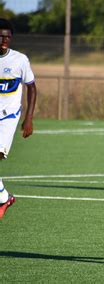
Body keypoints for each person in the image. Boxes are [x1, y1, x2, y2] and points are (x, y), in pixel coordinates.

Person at [0, 18, 37, 219]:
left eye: (8, 36)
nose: (4, 40)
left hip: (8, 117)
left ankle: (5, 198)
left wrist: (29, 118)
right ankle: (5, 198)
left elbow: (32, 87)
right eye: (1, 36)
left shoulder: (19, 60)